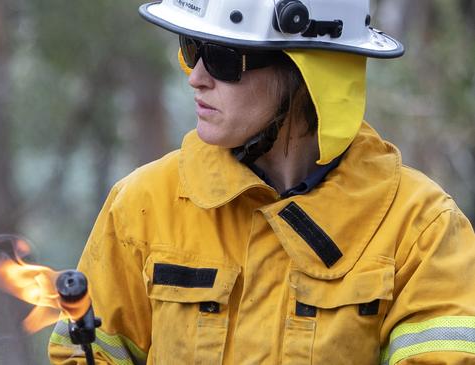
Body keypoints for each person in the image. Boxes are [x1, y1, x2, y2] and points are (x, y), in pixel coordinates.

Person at [48, 0, 475, 364]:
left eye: (223, 57)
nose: (196, 76)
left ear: (309, 75)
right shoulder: (144, 204)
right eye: (191, 47)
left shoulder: (420, 229)